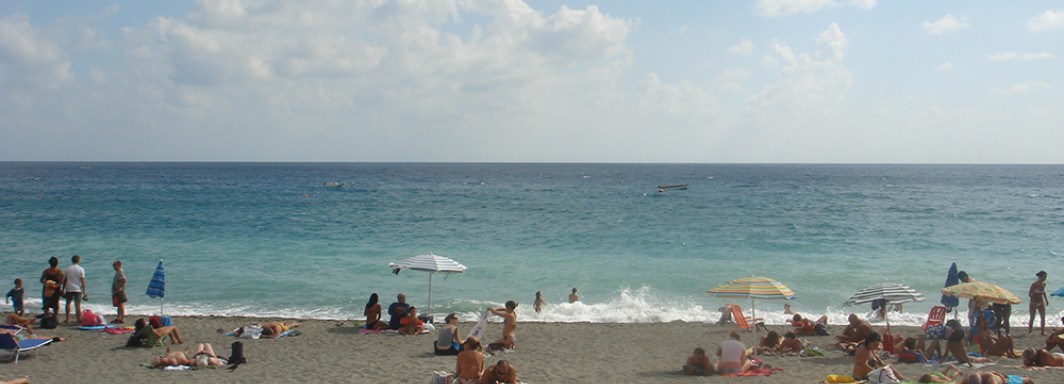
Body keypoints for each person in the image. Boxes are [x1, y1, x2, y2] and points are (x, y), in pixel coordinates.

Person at [61, 254, 87, 324]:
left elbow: (65, 280)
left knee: (68, 304)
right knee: (77, 305)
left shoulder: (68, 269)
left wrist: (63, 289)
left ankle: (68, 319)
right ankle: (78, 319)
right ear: (78, 261)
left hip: (69, 288)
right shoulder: (81, 269)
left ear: (72, 260)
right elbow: (82, 281)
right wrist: (84, 292)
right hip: (78, 289)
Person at [1029, 270, 1048, 335]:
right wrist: (1033, 301)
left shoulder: (1044, 284)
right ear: (1040, 277)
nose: (1045, 278)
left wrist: (1046, 300)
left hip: (1041, 301)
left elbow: (1043, 292)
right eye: (1044, 277)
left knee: (1043, 317)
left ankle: (1042, 331)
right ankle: (1030, 331)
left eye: (1046, 277)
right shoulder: (1034, 284)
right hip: (1034, 302)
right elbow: (1030, 293)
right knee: (1032, 317)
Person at [959, 371, 1034, 384]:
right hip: (995, 374)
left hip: (1004, 381)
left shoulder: (991, 380)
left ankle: (1025, 378)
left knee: (1027, 381)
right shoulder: (967, 379)